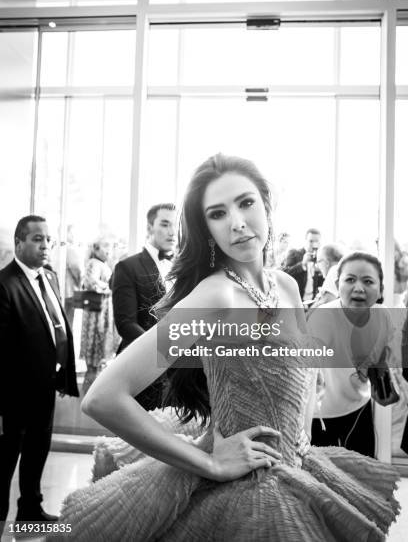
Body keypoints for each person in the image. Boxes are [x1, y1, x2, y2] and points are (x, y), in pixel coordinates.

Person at [56, 156, 399, 541]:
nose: (237, 222)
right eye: (218, 214)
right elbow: (102, 397)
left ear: (266, 205)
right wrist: (211, 464)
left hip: (297, 468)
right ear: (207, 231)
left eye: (246, 203)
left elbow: (304, 368)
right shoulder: (216, 294)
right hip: (238, 491)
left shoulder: (284, 285)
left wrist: (302, 436)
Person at [0, 215, 78, 529]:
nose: (45, 245)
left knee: (37, 450)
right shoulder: (5, 284)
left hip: (45, 385)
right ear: (18, 243)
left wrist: (60, 372)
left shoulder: (49, 276)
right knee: (5, 461)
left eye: (48, 239)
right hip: (15, 393)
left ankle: (30, 509)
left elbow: (54, 326)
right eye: (37, 239)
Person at [309, 251, 395, 457]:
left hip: (359, 406)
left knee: (365, 473)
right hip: (322, 415)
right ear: (337, 285)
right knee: (325, 481)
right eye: (350, 280)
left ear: (380, 288)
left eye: (368, 281)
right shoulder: (324, 318)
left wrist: (381, 379)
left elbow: (380, 355)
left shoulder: (382, 315)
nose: (358, 288)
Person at [112, 203, 176, 410]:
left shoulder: (181, 268)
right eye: (165, 224)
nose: (172, 232)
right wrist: (161, 353)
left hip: (177, 374)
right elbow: (125, 324)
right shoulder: (127, 267)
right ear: (149, 228)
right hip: (140, 367)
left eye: (175, 225)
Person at [80, 237, 117, 394]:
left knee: (98, 357)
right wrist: (108, 288)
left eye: (110, 247)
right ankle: (90, 392)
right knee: (94, 353)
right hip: (97, 314)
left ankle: (91, 391)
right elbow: (90, 282)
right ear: (95, 249)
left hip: (101, 312)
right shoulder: (94, 263)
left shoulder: (102, 264)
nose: (108, 250)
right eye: (105, 246)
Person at [283, 228, 323, 304]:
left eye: (317, 241)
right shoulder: (294, 253)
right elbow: (285, 274)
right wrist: (302, 264)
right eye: (311, 241)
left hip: (312, 302)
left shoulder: (320, 258)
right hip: (295, 301)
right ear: (305, 240)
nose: (314, 244)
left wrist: (322, 271)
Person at [308, 242, 345, 312]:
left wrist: (305, 316)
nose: (317, 266)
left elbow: (326, 301)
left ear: (326, 262)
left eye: (318, 261)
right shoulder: (343, 270)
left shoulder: (334, 270)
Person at [64, 224, 83, 328]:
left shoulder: (56, 248)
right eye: (73, 233)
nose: (74, 236)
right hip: (69, 291)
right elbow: (77, 268)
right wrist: (80, 283)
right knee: (68, 321)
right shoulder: (70, 249)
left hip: (61, 289)